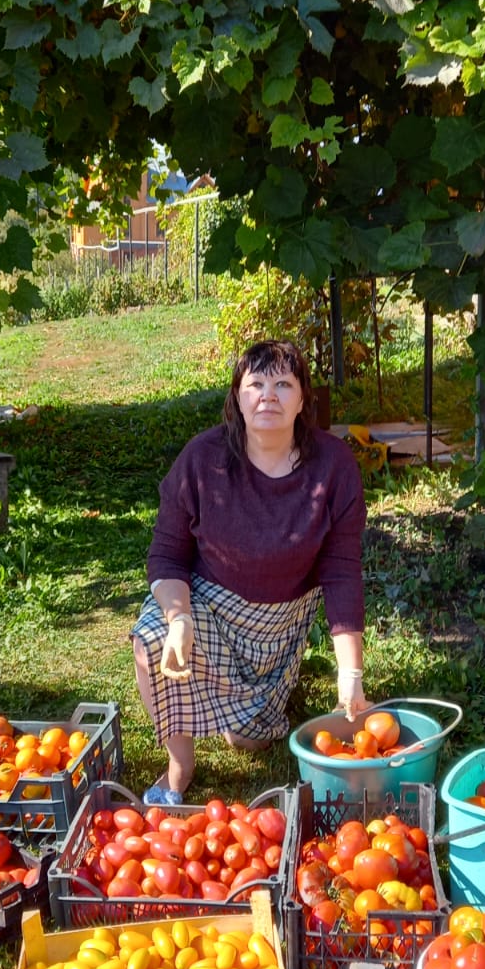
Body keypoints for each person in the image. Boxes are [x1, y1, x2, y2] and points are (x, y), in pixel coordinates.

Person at [131, 338, 369, 805]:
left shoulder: (334, 466)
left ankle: (253, 703)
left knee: (251, 741)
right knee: (150, 640)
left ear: (304, 400)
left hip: (279, 624)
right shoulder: (202, 460)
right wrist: (179, 617)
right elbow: (166, 555)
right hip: (207, 604)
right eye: (255, 383)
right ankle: (180, 765)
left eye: (284, 384)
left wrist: (352, 672)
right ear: (237, 398)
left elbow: (342, 571)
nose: (269, 395)